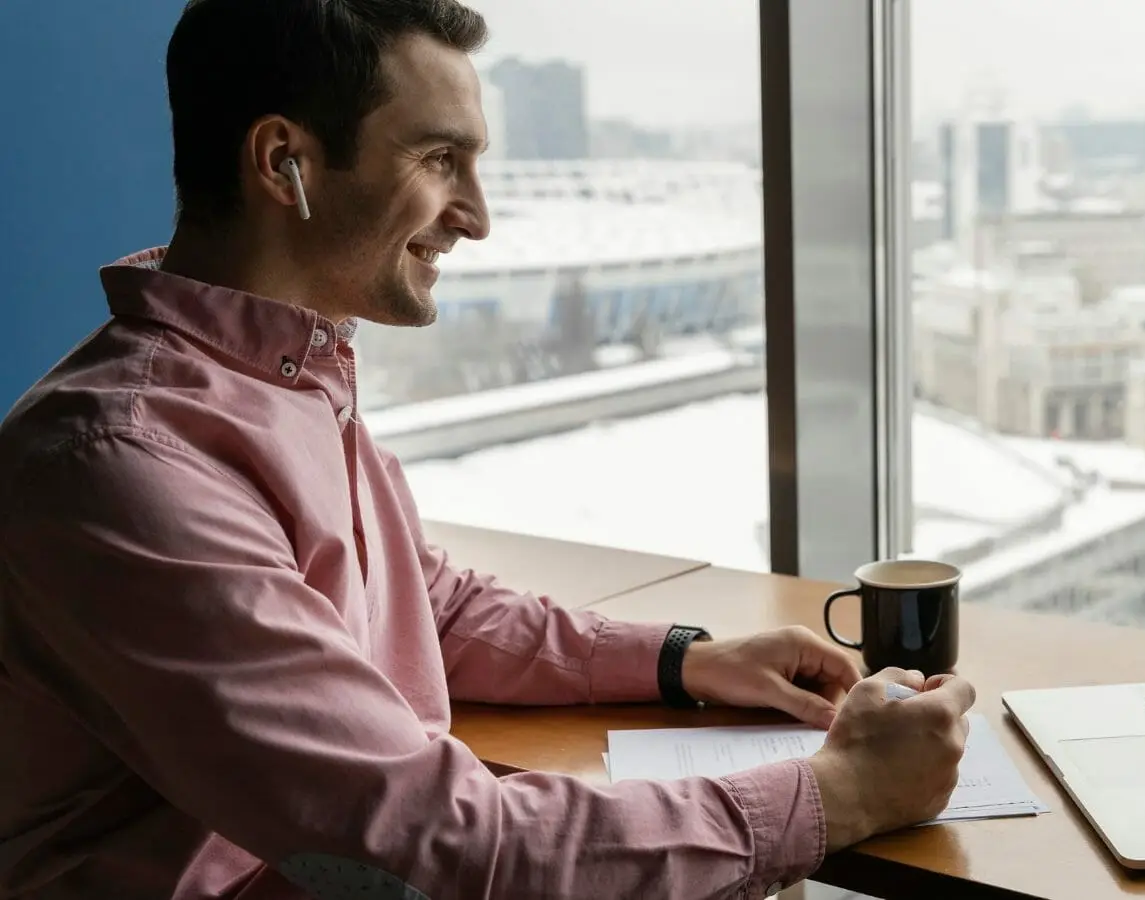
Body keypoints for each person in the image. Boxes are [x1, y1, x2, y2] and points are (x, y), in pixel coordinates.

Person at [0, 2, 976, 897]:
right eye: (438, 159)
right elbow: (448, 843)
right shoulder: (122, 467)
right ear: (281, 162)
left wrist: (689, 662)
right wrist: (840, 795)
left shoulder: (282, 378)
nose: (476, 215)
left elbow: (421, 602)